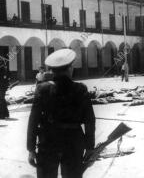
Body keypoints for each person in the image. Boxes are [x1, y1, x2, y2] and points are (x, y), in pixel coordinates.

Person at [27, 49, 95, 178]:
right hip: (73, 143)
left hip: (48, 142)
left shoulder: (42, 89)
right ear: (70, 69)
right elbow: (90, 120)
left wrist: (31, 148)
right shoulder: (80, 89)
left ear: (52, 70)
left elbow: (33, 120)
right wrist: (90, 147)